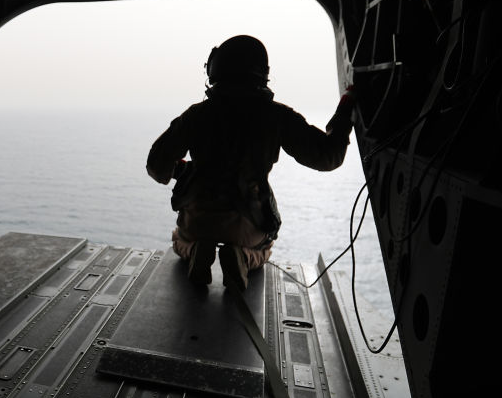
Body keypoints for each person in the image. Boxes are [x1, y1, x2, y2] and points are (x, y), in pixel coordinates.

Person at [146, 35, 356, 289]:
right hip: (248, 221)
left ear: (215, 70)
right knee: (264, 249)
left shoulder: (196, 115)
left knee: (180, 241)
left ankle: (196, 251)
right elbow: (327, 157)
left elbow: (157, 166)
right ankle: (244, 257)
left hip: (199, 220)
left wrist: (185, 170)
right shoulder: (277, 116)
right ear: (261, 73)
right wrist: (345, 110)